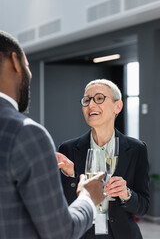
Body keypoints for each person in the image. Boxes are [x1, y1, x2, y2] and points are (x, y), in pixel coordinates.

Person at [0, 31, 106, 239]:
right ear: (15, 61)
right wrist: (88, 197)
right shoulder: (26, 134)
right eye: (28, 66)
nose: (29, 75)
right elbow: (60, 232)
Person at [58, 79, 150, 239]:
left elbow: (142, 207)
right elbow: (63, 206)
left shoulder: (137, 149)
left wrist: (126, 194)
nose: (91, 105)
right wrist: (71, 176)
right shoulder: (68, 149)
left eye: (99, 98)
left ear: (117, 106)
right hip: (83, 234)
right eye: (86, 100)